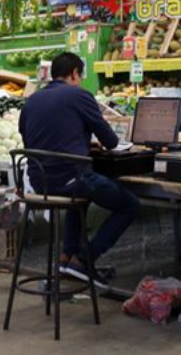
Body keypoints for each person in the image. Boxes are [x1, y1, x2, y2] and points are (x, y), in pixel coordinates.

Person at [19, 52, 138, 282]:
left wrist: (81, 144)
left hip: (39, 183)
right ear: (74, 73)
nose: (80, 80)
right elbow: (111, 142)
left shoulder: (31, 100)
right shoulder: (79, 95)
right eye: (80, 76)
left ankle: (66, 257)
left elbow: (31, 140)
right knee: (129, 205)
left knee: (79, 200)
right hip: (70, 181)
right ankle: (84, 259)